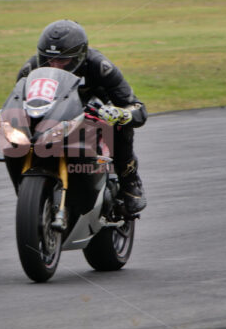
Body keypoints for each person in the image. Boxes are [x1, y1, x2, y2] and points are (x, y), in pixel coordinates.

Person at [16, 19, 147, 214]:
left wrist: (121, 113)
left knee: (120, 126)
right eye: (49, 59)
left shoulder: (99, 65)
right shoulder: (31, 68)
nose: (55, 65)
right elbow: (18, 99)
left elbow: (137, 107)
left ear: (79, 56)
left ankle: (130, 181)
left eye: (63, 60)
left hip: (93, 110)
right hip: (55, 115)